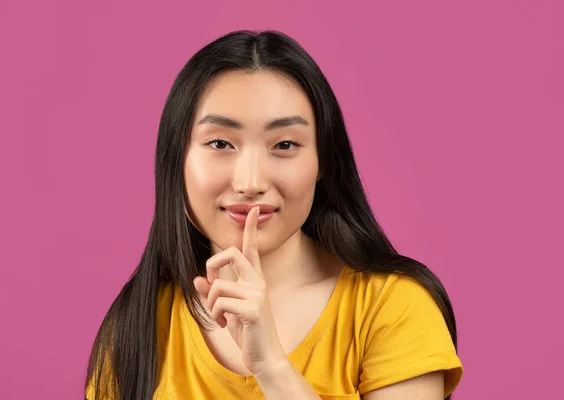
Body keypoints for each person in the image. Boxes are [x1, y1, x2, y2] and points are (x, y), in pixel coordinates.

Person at [85, 29, 463, 400]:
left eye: (284, 144)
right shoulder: (136, 326)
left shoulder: (392, 306)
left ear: (323, 163)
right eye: (220, 143)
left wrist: (272, 367)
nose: (250, 182)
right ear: (176, 163)